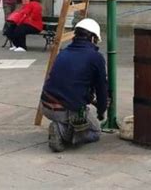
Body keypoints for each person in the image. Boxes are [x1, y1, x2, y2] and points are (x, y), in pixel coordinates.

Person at [40, 18, 107, 153]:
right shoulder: (96, 57)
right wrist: (101, 111)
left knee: (75, 111)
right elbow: (101, 89)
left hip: (45, 104)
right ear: (93, 38)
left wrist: (89, 98)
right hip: (64, 110)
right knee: (95, 132)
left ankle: (61, 126)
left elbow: (71, 83)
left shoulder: (63, 52)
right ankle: (61, 131)